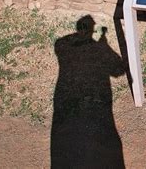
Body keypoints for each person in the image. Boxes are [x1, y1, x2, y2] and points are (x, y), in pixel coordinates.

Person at [51, 16, 126, 168]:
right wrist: (103, 44)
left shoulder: (61, 44)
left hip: (67, 95)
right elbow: (118, 71)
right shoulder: (95, 47)